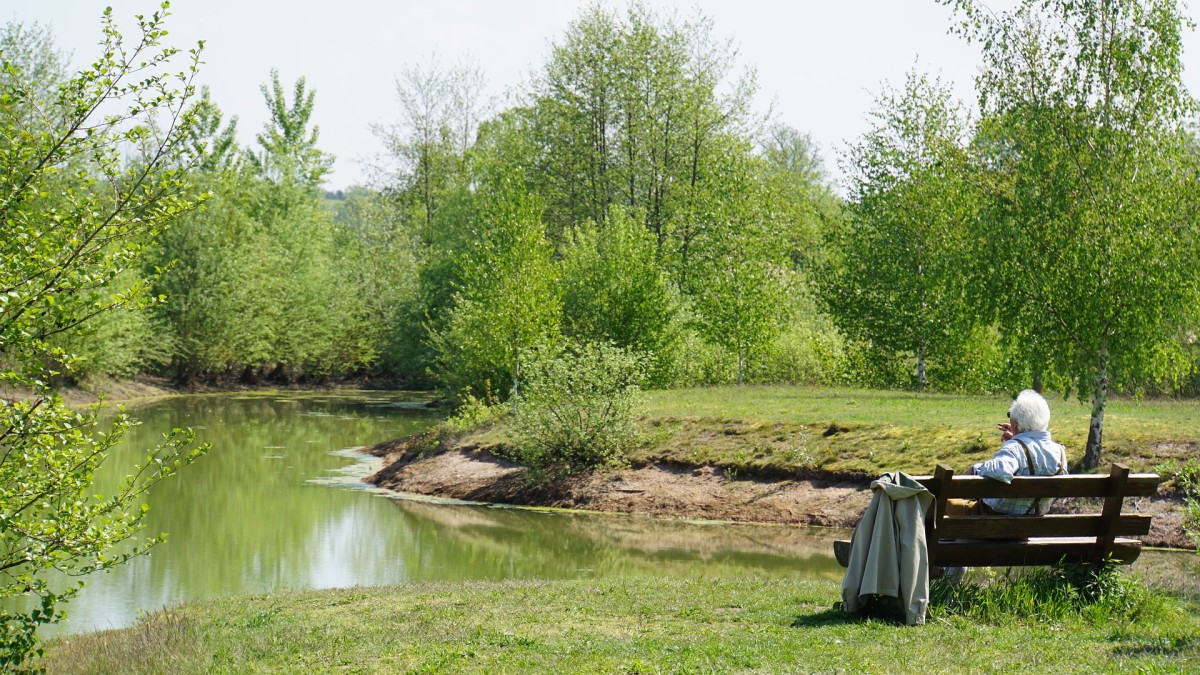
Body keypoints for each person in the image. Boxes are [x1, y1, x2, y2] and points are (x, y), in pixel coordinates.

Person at [946, 389, 1068, 517]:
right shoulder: (1059, 452)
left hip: (994, 522)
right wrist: (1018, 438)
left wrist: (975, 469)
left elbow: (1002, 471)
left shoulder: (1015, 449)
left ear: (1015, 423)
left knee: (943, 502)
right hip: (1030, 527)